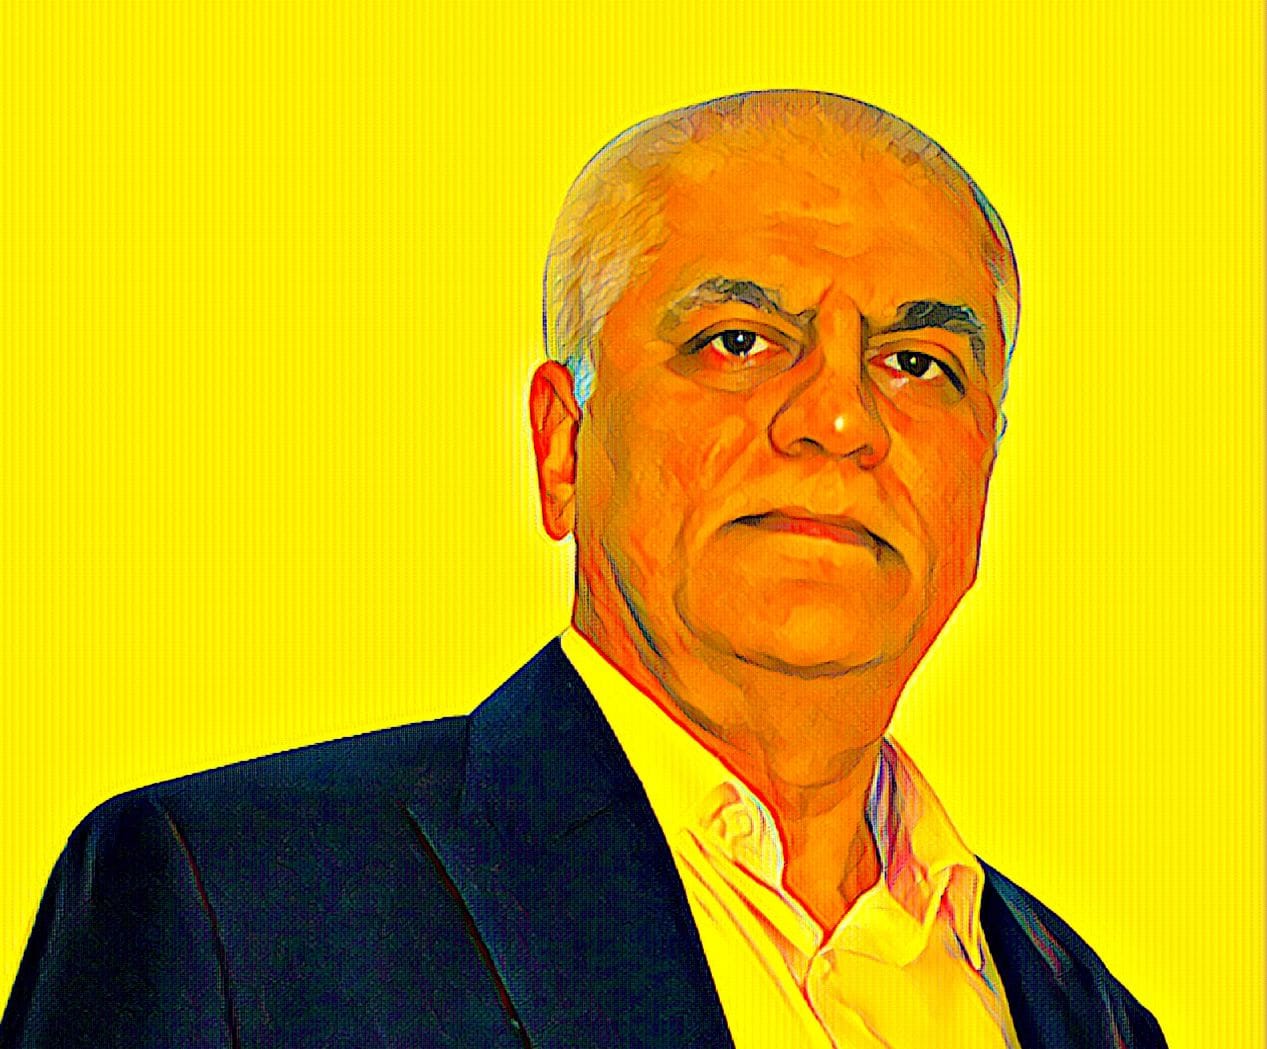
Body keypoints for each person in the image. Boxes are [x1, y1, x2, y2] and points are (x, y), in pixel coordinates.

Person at [1, 91, 1165, 1048]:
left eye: (916, 362)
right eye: (738, 342)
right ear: (562, 443)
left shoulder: (1087, 1013)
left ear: (982, 469)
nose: (837, 417)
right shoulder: (241, 903)